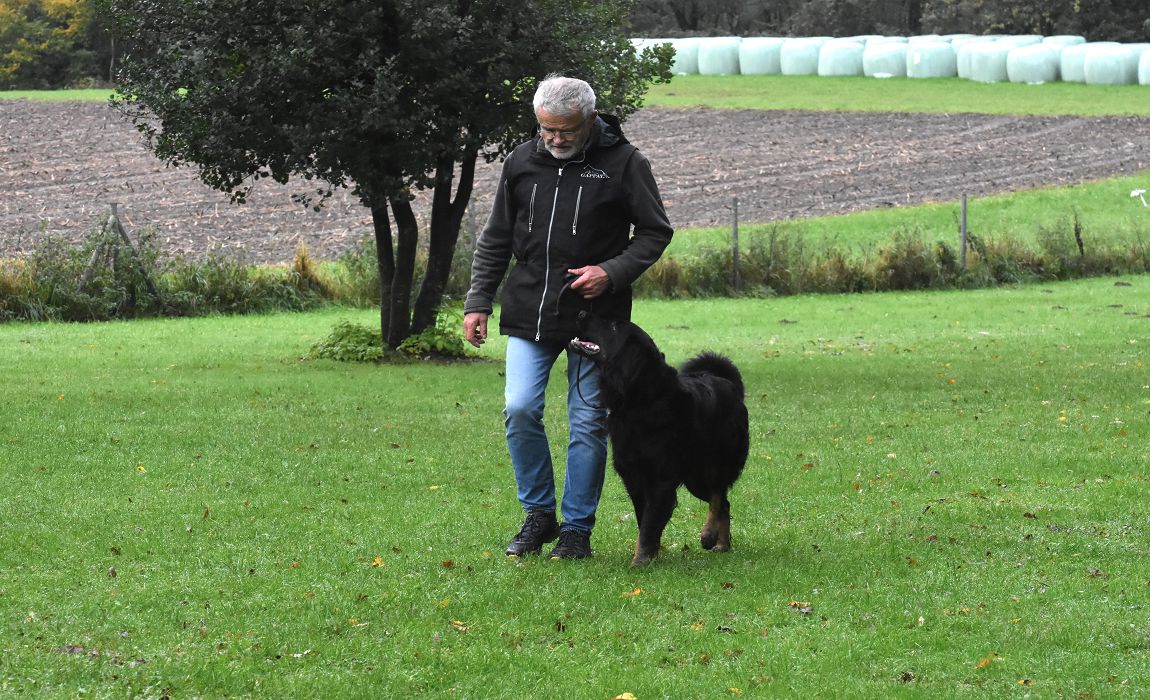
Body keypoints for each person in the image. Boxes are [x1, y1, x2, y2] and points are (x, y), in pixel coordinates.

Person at [463, 74, 673, 560]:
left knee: (586, 424)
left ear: (590, 119)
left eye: (566, 131)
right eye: (546, 130)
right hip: (529, 310)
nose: (555, 140)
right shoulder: (521, 161)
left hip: (598, 321)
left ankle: (577, 530)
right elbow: (496, 236)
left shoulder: (625, 163)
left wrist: (611, 271)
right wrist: (478, 301)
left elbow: (654, 232)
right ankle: (539, 516)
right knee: (519, 408)